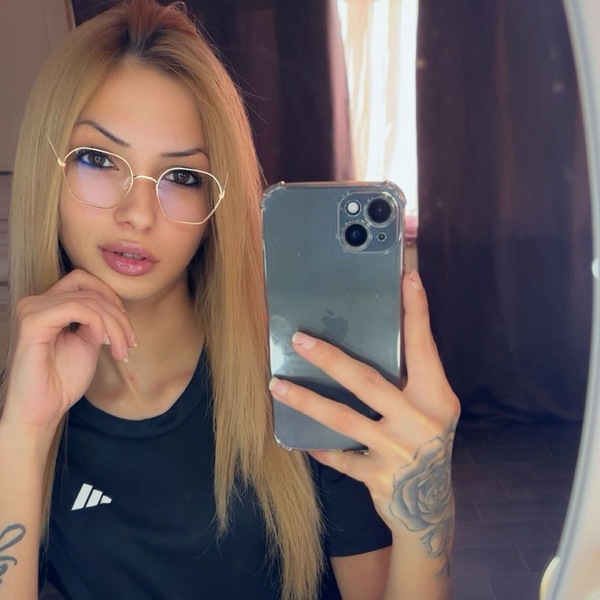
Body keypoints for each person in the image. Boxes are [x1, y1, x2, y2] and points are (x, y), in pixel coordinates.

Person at [0, 1, 460, 598]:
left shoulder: (301, 383)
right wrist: (24, 434)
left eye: (183, 177)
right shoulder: (21, 411)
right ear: (48, 171)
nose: (137, 213)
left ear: (217, 204)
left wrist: (427, 518)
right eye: (97, 159)